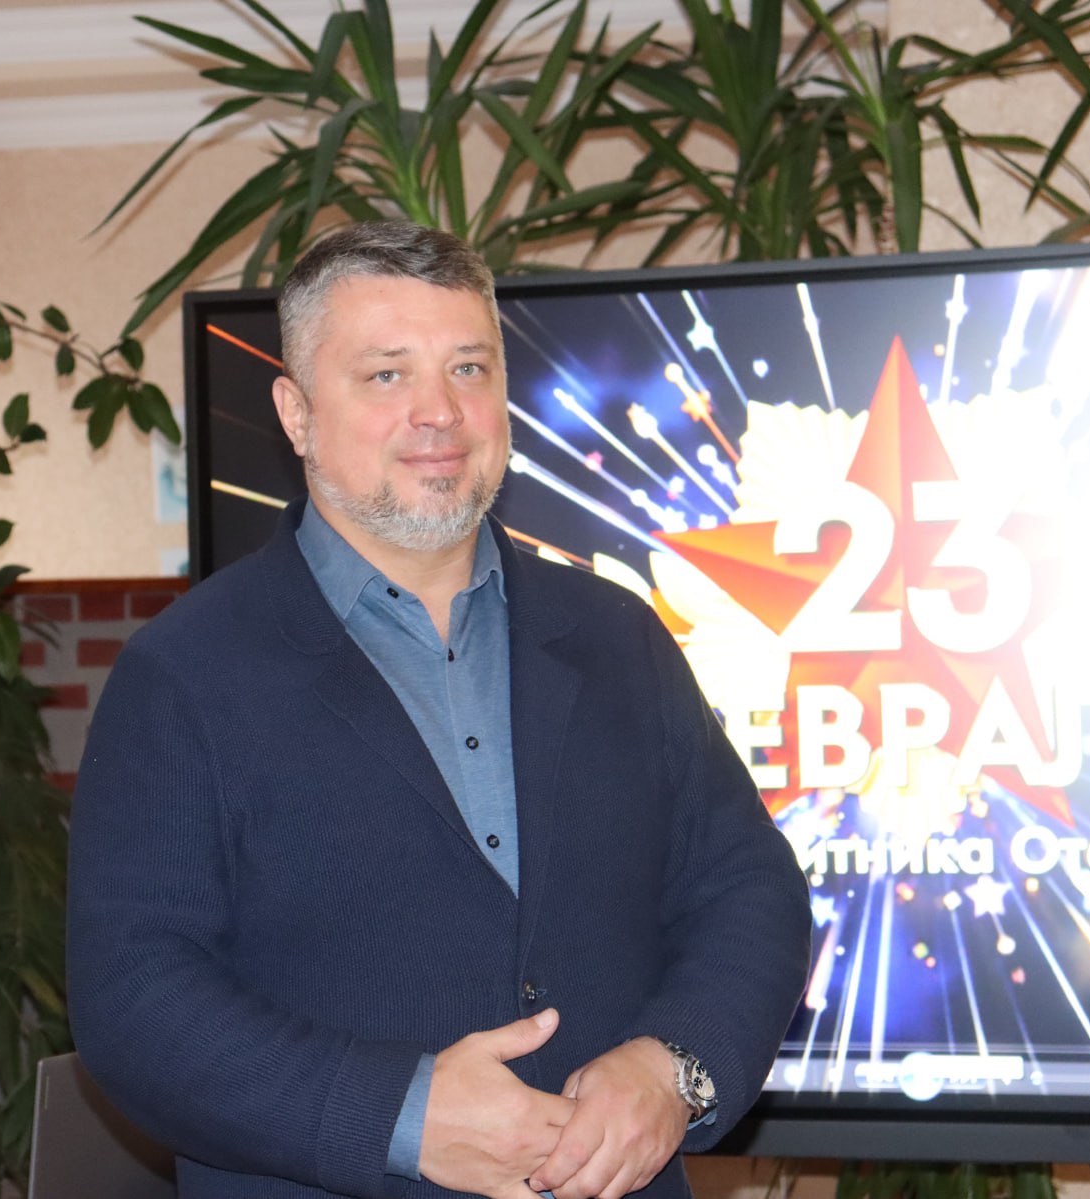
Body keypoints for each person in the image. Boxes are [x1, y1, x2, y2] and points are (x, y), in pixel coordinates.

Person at [66, 220, 811, 1199]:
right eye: (387, 374)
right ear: (296, 413)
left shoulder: (617, 636)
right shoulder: (182, 673)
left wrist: (676, 1067)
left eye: (468, 368)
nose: (439, 412)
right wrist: (397, 1115)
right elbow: (135, 1000)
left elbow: (748, 888)